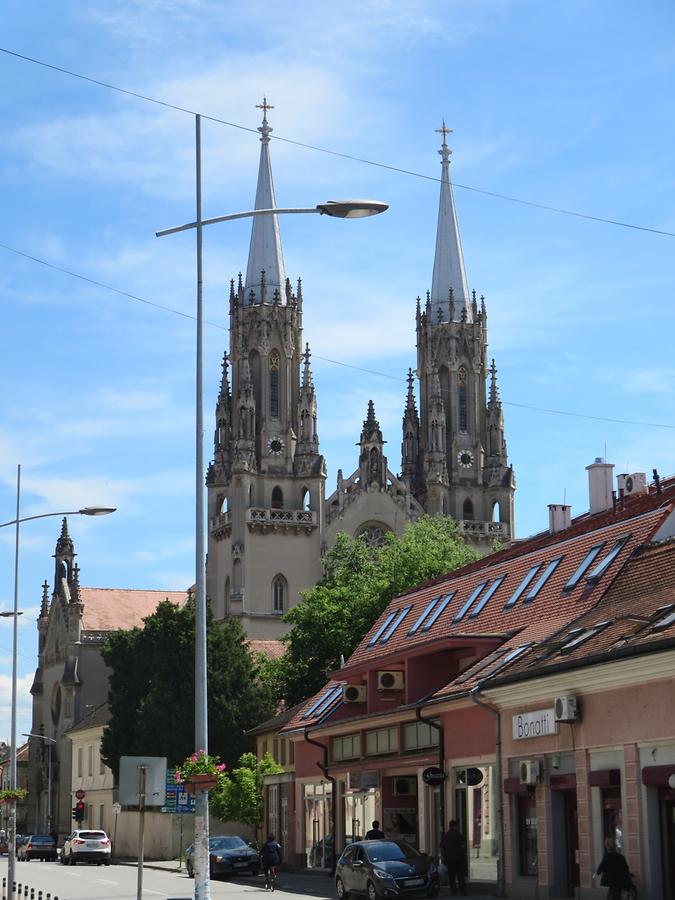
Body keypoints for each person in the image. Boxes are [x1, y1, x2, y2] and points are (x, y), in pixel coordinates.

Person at [440, 820, 467, 896]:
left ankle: (453, 891)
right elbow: (462, 847)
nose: (458, 827)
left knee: (451, 876)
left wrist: (444, 857)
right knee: (460, 875)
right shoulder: (458, 835)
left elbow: (442, 848)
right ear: (455, 826)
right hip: (458, 859)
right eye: (457, 826)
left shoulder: (445, 835)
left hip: (449, 859)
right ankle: (462, 891)